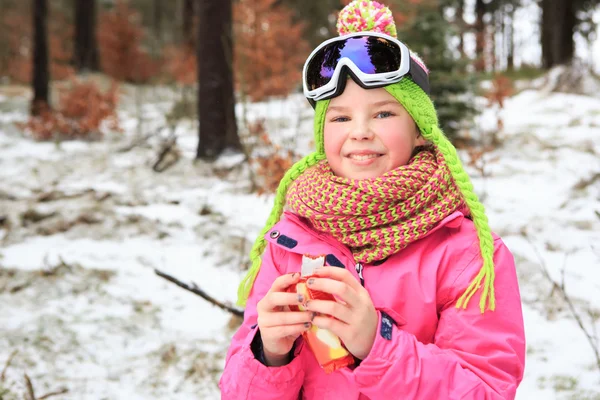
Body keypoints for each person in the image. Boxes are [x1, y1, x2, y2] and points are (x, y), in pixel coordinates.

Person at [219, 1, 526, 399]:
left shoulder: (466, 256)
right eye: (341, 118)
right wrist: (269, 353)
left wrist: (378, 345)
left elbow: (486, 390)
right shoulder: (288, 242)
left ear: (420, 130)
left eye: (383, 114)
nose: (360, 131)